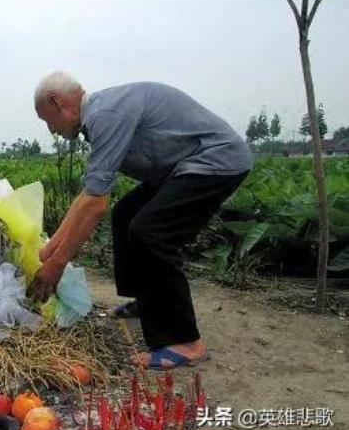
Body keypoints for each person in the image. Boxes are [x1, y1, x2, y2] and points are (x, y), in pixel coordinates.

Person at [29, 72, 252, 370]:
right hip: (179, 168)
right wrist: (48, 252)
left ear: (58, 103)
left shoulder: (104, 114)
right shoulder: (100, 114)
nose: (52, 131)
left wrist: (55, 267)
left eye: (47, 121)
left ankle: (186, 342)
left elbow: (95, 205)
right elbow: (88, 195)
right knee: (126, 215)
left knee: (151, 233)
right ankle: (148, 302)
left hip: (215, 161)